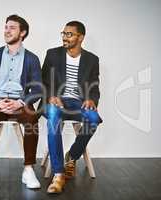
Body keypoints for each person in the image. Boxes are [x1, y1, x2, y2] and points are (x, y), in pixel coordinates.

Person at [0, 14, 42, 189]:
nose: (7, 30)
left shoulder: (32, 58)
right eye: (6, 27)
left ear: (23, 33)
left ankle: (28, 170)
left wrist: (21, 102)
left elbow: (38, 89)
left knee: (32, 119)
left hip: (20, 102)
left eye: (12, 27)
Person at [41, 21, 103, 193]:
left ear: (80, 37)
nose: (65, 37)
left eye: (69, 34)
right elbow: (42, 82)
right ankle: (58, 174)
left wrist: (91, 99)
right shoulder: (52, 54)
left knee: (93, 118)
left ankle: (72, 156)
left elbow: (95, 86)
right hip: (57, 101)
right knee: (53, 116)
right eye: (64, 33)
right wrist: (51, 97)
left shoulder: (92, 59)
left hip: (79, 102)